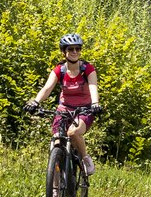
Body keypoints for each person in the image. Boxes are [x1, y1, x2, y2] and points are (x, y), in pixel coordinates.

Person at [25, 33, 102, 175]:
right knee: (56, 143)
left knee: (73, 132)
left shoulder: (87, 69)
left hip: (83, 111)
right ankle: (54, 187)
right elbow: (47, 88)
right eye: (71, 49)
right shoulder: (59, 70)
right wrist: (35, 101)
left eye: (77, 49)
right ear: (64, 51)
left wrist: (95, 103)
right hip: (63, 110)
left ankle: (84, 158)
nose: (75, 52)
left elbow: (93, 87)